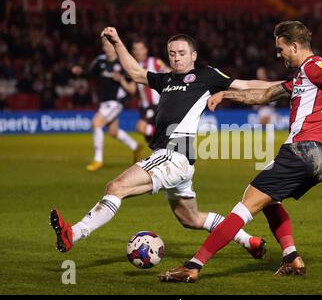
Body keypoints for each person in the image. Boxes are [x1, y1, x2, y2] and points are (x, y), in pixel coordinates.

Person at [159, 20, 322, 283]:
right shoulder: (300, 78)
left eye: (281, 50)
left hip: (303, 149)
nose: (278, 55)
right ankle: (291, 257)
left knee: (246, 204)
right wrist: (225, 95)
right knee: (270, 200)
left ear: (295, 45)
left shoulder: (315, 66)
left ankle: (194, 265)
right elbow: (264, 95)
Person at [49, 27, 282, 259]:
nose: (176, 57)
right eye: (172, 53)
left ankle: (75, 233)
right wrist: (118, 41)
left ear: (193, 56)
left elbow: (244, 84)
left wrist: (287, 86)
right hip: (178, 161)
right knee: (191, 219)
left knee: (116, 187)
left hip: (173, 155)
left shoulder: (206, 76)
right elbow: (135, 72)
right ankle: (249, 241)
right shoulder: (166, 80)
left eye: (181, 53)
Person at [72, 37, 143, 172]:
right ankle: (135, 146)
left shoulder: (123, 63)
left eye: (110, 45)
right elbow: (90, 74)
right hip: (105, 101)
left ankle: (98, 160)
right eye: (105, 45)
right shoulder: (100, 61)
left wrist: (121, 79)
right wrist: (80, 71)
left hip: (116, 102)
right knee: (113, 132)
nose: (107, 48)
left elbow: (132, 88)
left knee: (96, 123)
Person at [129, 39, 172, 144]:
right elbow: (132, 89)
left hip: (156, 104)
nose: (139, 52)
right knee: (150, 141)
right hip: (144, 107)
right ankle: (162, 151)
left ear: (146, 50)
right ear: (133, 52)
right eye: (136, 49)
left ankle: (168, 136)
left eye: (141, 49)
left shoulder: (155, 62)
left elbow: (170, 74)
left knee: (141, 127)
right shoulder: (134, 67)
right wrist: (120, 79)